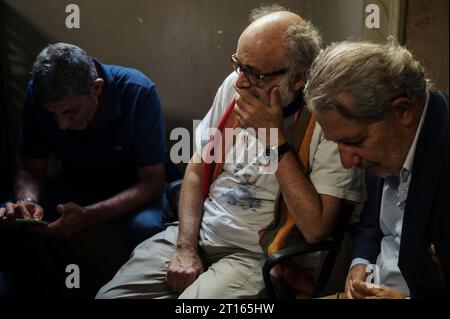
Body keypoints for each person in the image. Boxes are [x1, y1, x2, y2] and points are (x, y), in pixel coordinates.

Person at [96, 5, 363, 299]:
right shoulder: (236, 87)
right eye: (238, 65)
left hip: (256, 255)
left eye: (254, 73)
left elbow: (315, 229)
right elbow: (197, 170)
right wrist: (185, 247)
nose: (239, 82)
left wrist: (274, 139)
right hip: (197, 235)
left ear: (298, 79)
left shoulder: (327, 120)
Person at [0, 43, 177, 296]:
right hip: (79, 180)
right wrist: (27, 201)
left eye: (70, 112)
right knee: (15, 222)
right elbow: (30, 167)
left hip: (136, 186)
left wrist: (88, 216)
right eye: (54, 115)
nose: (61, 125)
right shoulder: (37, 95)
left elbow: (151, 182)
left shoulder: (138, 91)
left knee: (145, 228)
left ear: (97, 88)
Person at [304, 40, 448, 299]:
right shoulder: (387, 145)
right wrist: (360, 262)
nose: (347, 161)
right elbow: (375, 219)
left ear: (402, 110)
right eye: (337, 143)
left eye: (354, 142)